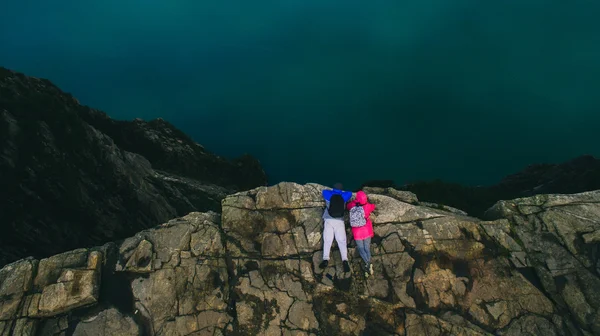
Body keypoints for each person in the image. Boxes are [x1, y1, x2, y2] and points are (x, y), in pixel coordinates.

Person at [320, 183, 352, 272]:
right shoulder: (344, 197)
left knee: (327, 240)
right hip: (340, 221)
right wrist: (341, 193)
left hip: (329, 220)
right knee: (342, 241)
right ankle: (345, 260)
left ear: (333, 189)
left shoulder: (328, 195)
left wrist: (333, 192)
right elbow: (349, 193)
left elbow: (324, 191)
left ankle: (325, 259)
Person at [347, 190, 376, 277]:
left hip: (357, 232)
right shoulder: (367, 206)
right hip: (367, 230)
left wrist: (354, 201)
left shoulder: (352, 205)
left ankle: (368, 264)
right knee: (367, 248)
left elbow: (348, 206)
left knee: (360, 249)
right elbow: (373, 206)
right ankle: (368, 263)